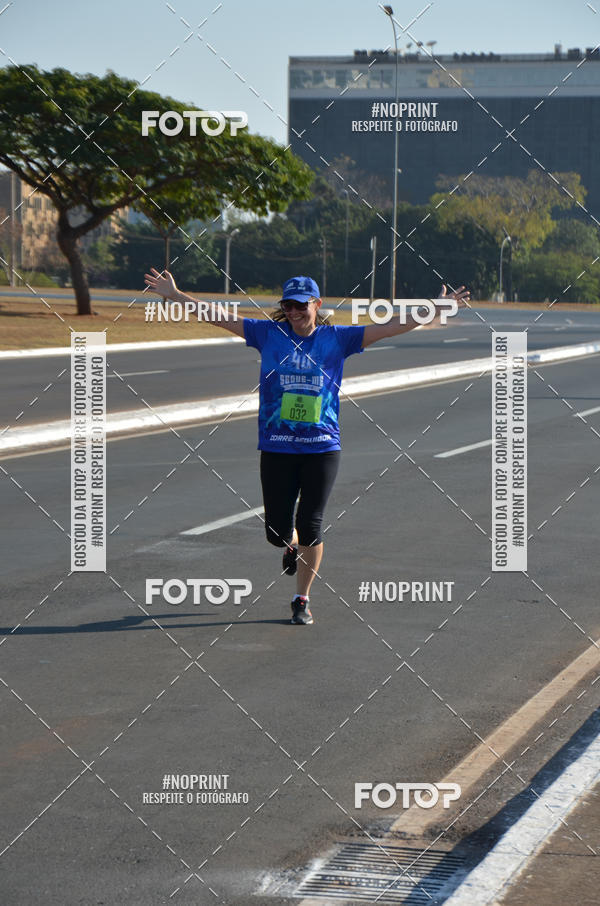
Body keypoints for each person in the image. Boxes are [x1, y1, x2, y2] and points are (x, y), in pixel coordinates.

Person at [144, 269, 470, 625]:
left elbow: (392, 326)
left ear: (316, 304)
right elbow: (220, 317)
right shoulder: (268, 334)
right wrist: (176, 295)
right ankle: (290, 544)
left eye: (301, 305)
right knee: (276, 533)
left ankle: (301, 598)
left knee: (311, 524)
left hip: (322, 447)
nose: (295, 312)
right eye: (288, 306)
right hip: (277, 446)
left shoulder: (338, 339)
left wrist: (434, 309)